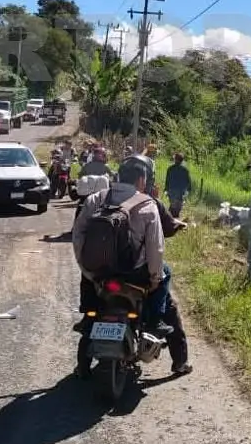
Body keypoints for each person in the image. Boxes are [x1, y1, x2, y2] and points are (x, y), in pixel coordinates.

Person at [72, 158, 191, 377]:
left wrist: (87, 270)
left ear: (117, 177)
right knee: (166, 281)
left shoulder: (94, 199)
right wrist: (155, 279)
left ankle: (82, 363)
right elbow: (156, 248)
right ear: (141, 180)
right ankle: (174, 353)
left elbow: (78, 237)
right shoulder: (148, 204)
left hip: (100, 274)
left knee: (92, 312)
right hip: (135, 275)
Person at [165, 152, 192, 216]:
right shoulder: (185, 170)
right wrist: (188, 190)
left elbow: (167, 180)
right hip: (181, 192)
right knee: (177, 209)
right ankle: (171, 218)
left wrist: (166, 189)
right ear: (182, 160)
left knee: (173, 206)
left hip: (172, 191)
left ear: (175, 159)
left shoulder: (170, 169)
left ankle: (169, 218)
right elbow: (188, 181)